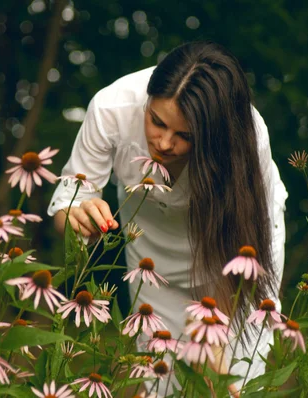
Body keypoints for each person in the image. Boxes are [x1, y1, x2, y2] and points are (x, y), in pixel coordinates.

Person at [47, 41, 288, 394]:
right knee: (160, 375)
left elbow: (243, 242)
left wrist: (212, 333)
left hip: (235, 255)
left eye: (184, 136)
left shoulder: (247, 135)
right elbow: (70, 199)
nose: (162, 143)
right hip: (151, 253)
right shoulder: (110, 108)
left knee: (232, 379)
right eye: (156, 121)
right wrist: (77, 215)